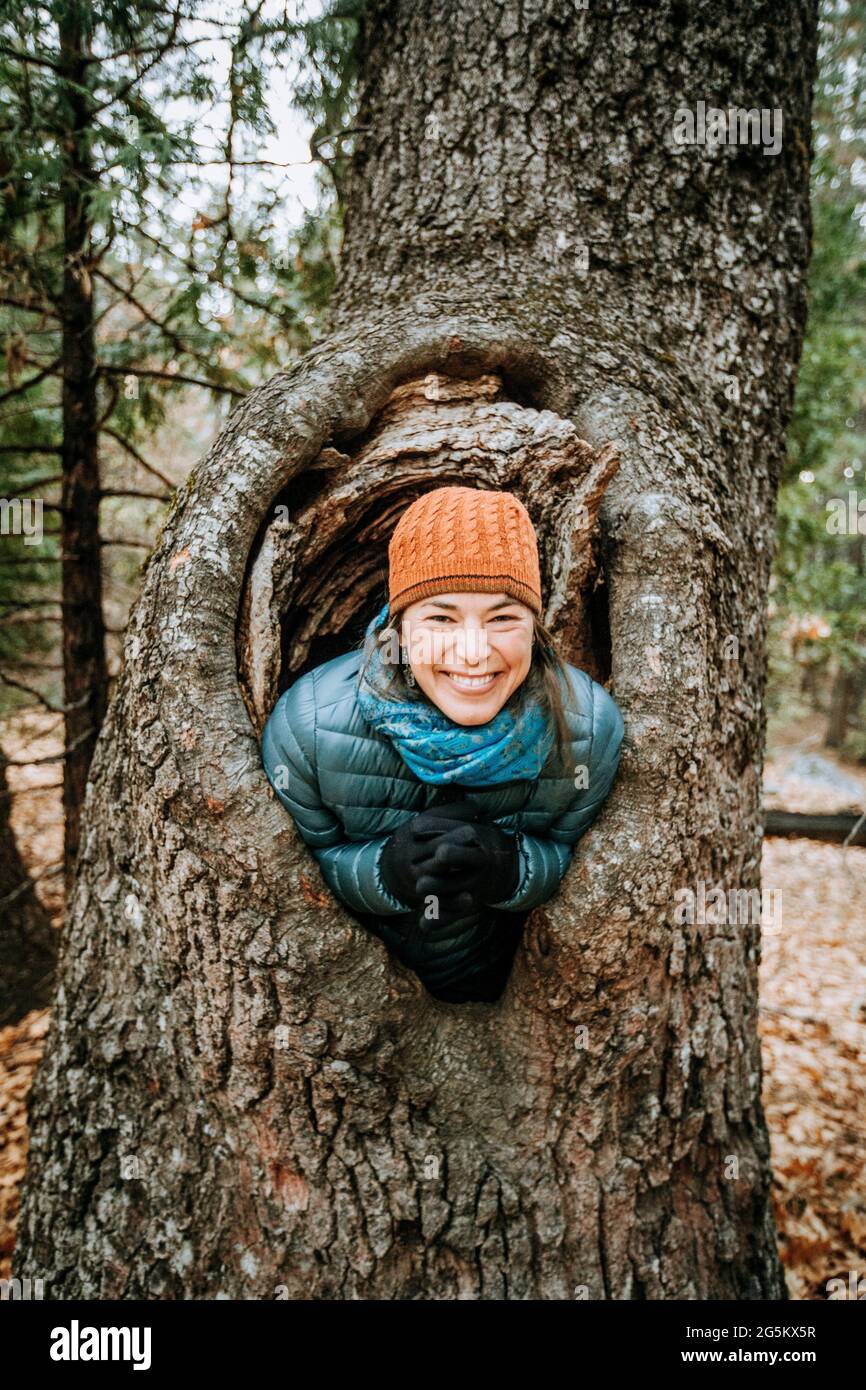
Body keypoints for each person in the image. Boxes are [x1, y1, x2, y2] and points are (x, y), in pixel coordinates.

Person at [261, 485, 624, 1004]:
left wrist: (512, 868)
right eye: (440, 618)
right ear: (399, 627)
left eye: (503, 618)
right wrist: (384, 872)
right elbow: (295, 870)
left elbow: (586, 865)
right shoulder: (310, 725)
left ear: (536, 627)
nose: (474, 652)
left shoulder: (589, 729)